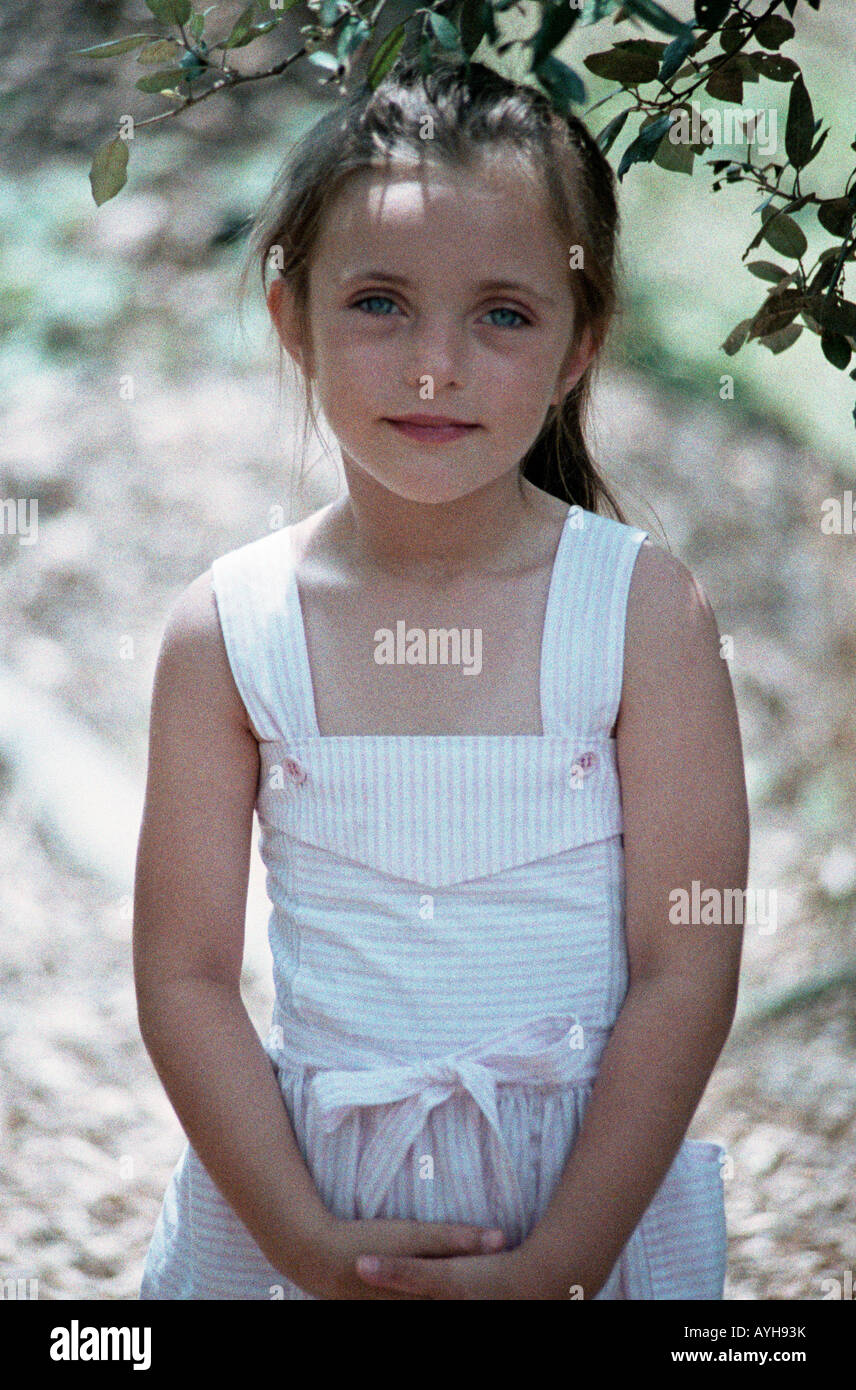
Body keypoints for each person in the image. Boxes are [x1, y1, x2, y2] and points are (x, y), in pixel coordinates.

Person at [135, 54, 749, 1300]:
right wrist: (304, 1242)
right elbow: (184, 976)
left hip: (578, 1207)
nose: (434, 366)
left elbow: (688, 959)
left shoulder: (640, 614)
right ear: (289, 318)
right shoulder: (230, 630)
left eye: (503, 315)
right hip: (304, 1200)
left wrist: (567, 1261)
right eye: (378, 302)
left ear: (580, 348)